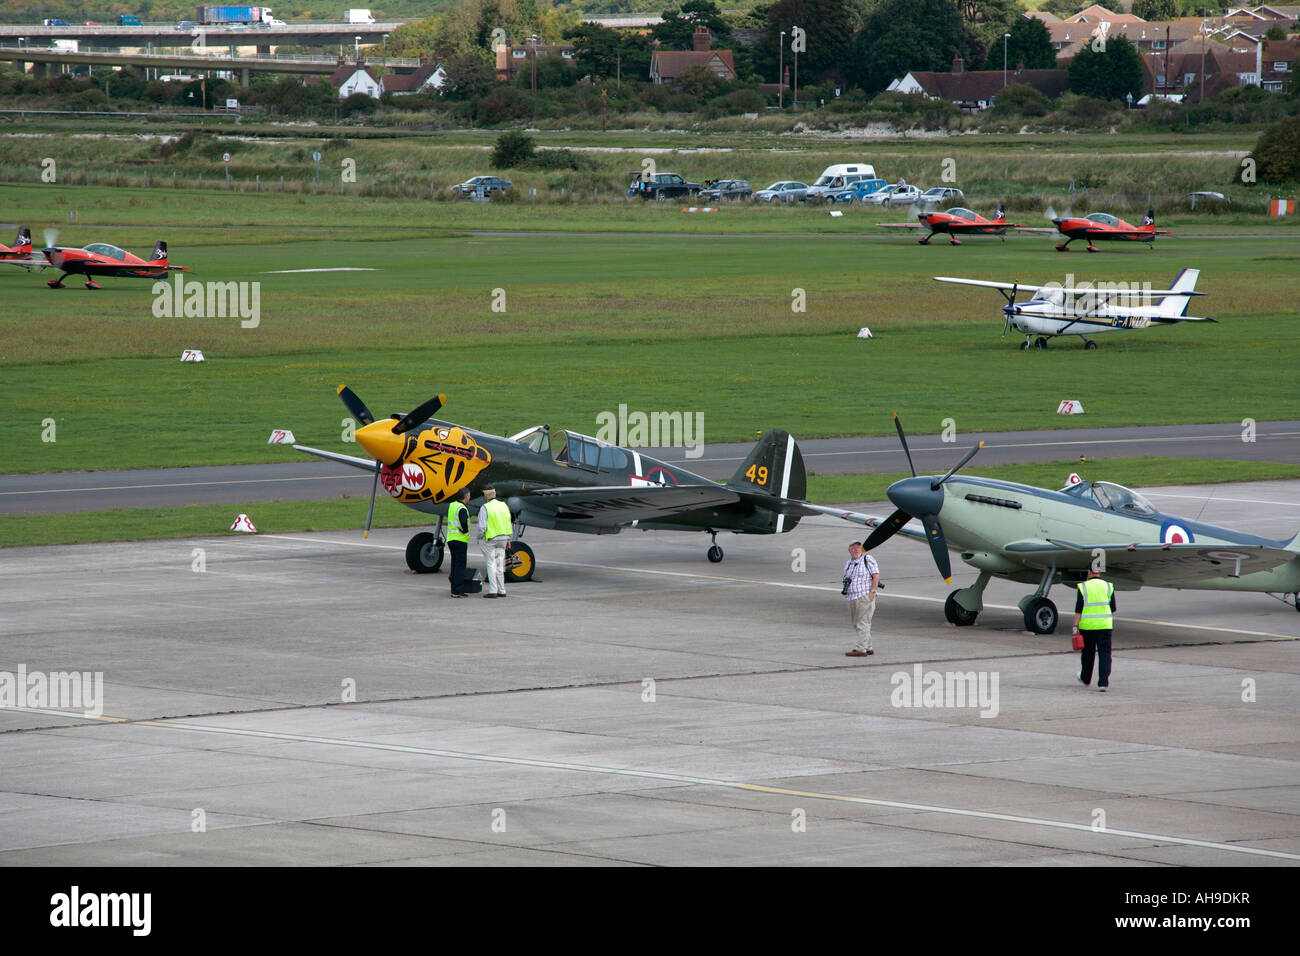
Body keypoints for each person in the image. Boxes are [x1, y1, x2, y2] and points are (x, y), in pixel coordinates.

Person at [1074, 568, 1116, 692]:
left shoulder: (1083, 587)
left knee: (1088, 654)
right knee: (1105, 654)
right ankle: (1103, 683)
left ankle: (1086, 678)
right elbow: (1113, 607)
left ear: (1088, 572)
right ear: (1099, 572)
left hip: (1088, 626)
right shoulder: (1109, 586)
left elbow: (1078, 609)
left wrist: (1075, 626)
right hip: (1105, 625)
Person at [843, 541, 880, 657]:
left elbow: (876, 575)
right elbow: (845, 578)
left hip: (864, 596)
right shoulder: (848, 563)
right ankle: (868, 647)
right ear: (849, 550)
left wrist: (872, 592)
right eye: (853, 548)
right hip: (852, 596)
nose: (856, 550)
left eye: (858, 547)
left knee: (862, 622)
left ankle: (860, 649)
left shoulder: (867, 559)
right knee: (858, 623)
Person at [477, 485, 513, 598]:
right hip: (503, 538)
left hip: (491, 539)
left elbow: (482, 527)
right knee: (499, 564)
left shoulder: (485, 507)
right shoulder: (504, 505)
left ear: (486, 496)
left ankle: (493, 590)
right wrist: (508, 538)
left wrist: (478, 537)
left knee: (491, 564)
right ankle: (502, 590)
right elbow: (508, 521)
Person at [445, 487, 472, 598]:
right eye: (469, 495)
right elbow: (463, 521)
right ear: (466, 496)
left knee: (455, 564)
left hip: (451, 539)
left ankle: (453, 588)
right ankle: (457, 590)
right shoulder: (462, 508)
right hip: (460, 539)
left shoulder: (452, 505)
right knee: (460, 565)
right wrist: (465, 530)